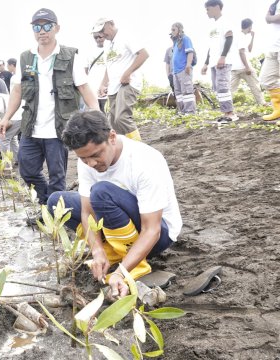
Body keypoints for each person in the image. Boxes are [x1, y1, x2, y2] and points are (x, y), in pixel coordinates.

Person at [47, 110, 182, 298]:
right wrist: (97, 250)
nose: (91, 164)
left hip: (158, 235)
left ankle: (134, 266)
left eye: (95, 155)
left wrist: (121, 273)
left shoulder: (145, 160)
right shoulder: (88, 161)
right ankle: (110, 253)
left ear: (111, 137)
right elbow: (87, 213)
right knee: (57, 202)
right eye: (83, 158)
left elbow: (152, 230)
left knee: (102, 193)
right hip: (117, 219)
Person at [0, 8, 99, 206]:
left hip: (58, 130)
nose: (41, 31)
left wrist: (97, 115)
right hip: (31, 128)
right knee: (27, 171)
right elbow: (17, 91)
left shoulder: (70, 56)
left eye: (46, 26)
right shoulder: (26, 58)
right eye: (37, 26)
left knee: (57, 176)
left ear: (56, 28)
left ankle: (54, 213)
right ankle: (47, 205)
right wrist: (7, 116)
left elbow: (84, 88)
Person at [92, 18, 148, 141]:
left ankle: (138, 148)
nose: (102, 34)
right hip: (113, 87)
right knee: (113, 123)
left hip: (128, 83)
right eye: (99, 31)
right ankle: (122, 150)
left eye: (103, 29)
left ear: (111, 24)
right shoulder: (107, 44)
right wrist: (103, 84)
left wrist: (127, 73)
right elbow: (109, 65)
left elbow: (144, 54)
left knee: (122, 117)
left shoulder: (125, 36)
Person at [201, 0, 238, 123]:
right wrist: (206, 63)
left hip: (223, 61)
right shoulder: (212, 26)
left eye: (208, 9)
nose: (206, 12)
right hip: (213, 62)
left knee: (223, 86)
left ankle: (230, 114)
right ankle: (225, 113)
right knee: (217, 88)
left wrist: (223, 56)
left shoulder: (225, 21)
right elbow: (211, 47)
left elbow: (229, 38)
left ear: (216, 7)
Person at [230, 18, 265, 105]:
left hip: (234, 67)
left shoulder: (239, 36)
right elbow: (241, 52)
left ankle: (226, 106)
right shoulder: (241, 36)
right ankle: (262, 103)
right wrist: (247, 67)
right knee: (255, 85)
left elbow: (249, 49)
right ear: (250, 27)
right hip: (243, 67)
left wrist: (252, 37)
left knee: (230, 89)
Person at [171, 22, 198, 114]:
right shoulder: (175, 43)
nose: (172, 32)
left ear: (179, 29)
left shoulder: (186, 39)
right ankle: (182, 111)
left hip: (184, 69)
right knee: (178, 93)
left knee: (187, 91)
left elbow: (190, 52)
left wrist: (188, 65)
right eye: (171, 30)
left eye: (174, 29)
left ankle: (190, 112)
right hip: (176, 71)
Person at [261, 0, 280, 121]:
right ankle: (278, 109)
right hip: (273, 46)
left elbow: (270, 18)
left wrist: (270, 17)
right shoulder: (275, 3)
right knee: (266, 79)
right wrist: (270, 17)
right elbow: (268, 19)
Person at [87, 32, 108, 112]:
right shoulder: (89, 52)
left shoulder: (111, 49)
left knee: (108, 116)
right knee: (94, 118)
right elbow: (85, 72)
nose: (98, 39)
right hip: (92, 90)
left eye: (100, 36)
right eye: (95, 37)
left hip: (107, 90)